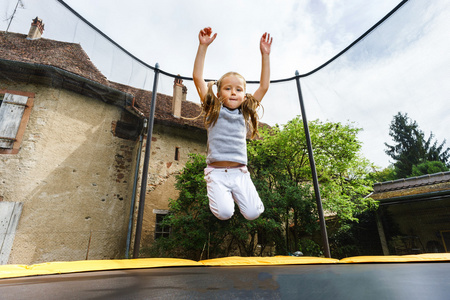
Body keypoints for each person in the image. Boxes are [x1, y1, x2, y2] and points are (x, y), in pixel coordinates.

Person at [192, 27, 272, 220]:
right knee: (225, 214)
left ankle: (246, 198)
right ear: (219, 94)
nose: (233, 92)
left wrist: (265, 55)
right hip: (217, 174)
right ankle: (222, 196)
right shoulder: (213, 110)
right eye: (228, 88)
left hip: (240, 173)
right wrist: (203, 46)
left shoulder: (245, 113)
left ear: (244, 95)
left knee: (253, 214)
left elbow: (264, 86)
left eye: (238, 89)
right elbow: (197, 78)